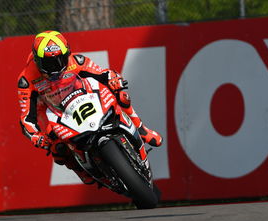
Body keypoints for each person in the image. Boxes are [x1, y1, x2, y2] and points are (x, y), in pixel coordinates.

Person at [17, 30, 162, 182]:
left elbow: (104, 73)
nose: (56, 67)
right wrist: (35, 136)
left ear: (67, 54)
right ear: (37, 59)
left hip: (82, 98)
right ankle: (81, 171)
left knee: (121, 95)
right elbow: (26, 118)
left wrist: (114, 80)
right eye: (49, 63)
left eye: (60, 60)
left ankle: (141, 129)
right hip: (53, 112)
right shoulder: (26, 80)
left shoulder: (76, 61)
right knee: (56, 147)